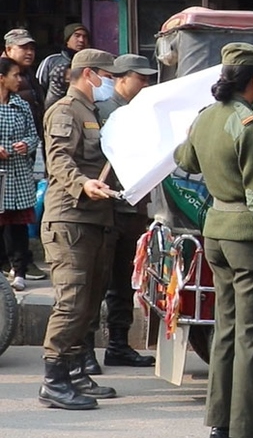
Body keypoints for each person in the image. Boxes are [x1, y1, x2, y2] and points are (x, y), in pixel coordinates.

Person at [174, 42, 253, 438]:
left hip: (216, 235)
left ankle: (220, 424)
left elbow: (186, 160)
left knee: (225, 329)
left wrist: (190, 135)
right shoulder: (252, 126)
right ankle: (249, 430)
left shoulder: (206, 117)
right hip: (248, 241)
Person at [38, 49, 121, 410]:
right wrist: (82, 184)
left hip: (93, 219)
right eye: (108, 75)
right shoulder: (65, 110)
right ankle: (53, 381)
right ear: (89, 74)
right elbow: (58, 158)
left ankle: (72, 373)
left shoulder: (92, 112)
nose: (112, 83)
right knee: (71, 302)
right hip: (69, 217)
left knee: (87, 303)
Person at [91, 54, 158, 369]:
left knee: (122, 280)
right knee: (96, 281)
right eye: (140, 78)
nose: (145, 83)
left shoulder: (141, 112)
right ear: (121, 77)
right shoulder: (102, 110)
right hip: (107, 208)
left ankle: (118, 344)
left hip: (133, 207)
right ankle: (84, 349)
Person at [3, 29, 49, 281]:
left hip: (20, 167)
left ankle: (20, 265)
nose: (29, 52)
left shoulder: (26, 83)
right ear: (8, 50)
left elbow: (33, 130)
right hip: (4, 169)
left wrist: (28, 144)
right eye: (23, 48)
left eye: (31, 47)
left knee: (17, 218)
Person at [0, 58, 38, 291]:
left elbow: (34, 136)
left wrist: (26, 144)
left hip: (18, 174)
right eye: (15, 75)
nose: (20, 80)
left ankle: (20, 270)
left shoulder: (21, 104)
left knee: (18, 226)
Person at [39, 23, 90, 110]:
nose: (81, 40)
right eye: (77, 36)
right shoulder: (51, 61)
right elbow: (40, 88)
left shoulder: (90, 63)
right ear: (67, 40)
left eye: (84, 37)